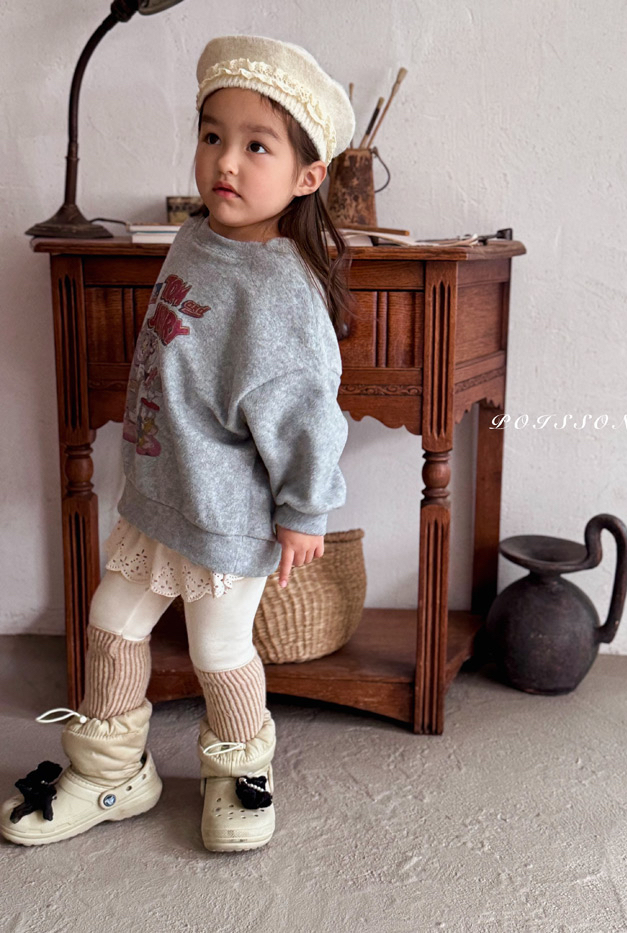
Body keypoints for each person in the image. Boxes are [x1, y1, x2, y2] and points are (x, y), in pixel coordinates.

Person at [1, 34, 356, 853]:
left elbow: (308, 412)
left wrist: (304, 510)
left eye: (256, 146)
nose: (224, 161)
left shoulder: (284, 290)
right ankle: (111, 770)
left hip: (227, 514)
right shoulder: (199, 237)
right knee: (111, 621)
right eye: (212, 135)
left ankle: (241, 770)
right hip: (161, 493)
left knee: (217, 645)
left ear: (306, 177)